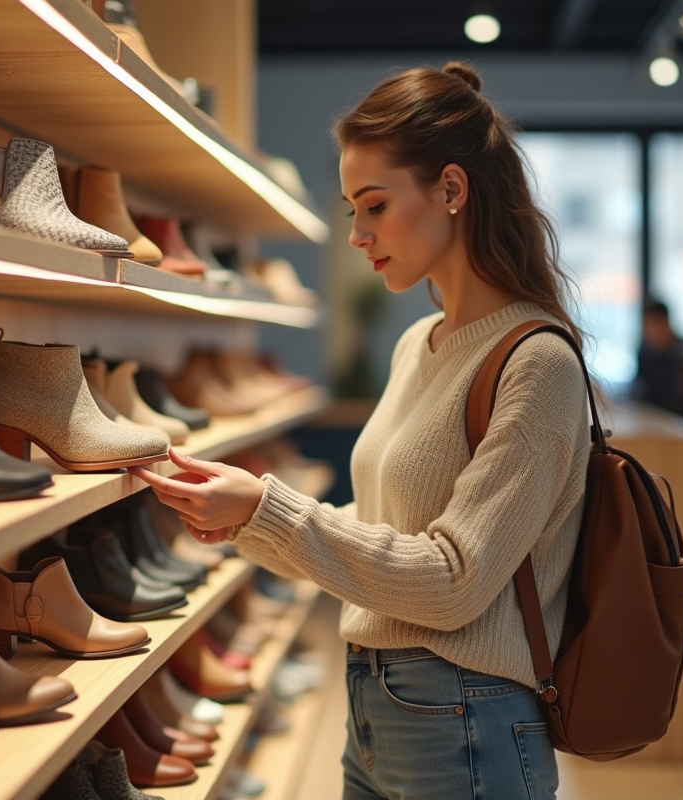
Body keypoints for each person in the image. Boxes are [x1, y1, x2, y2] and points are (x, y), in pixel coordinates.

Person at [134, 63, 590, 799]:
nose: (356, 235)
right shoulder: (421, 343)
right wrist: (245, 518)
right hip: (380, 707)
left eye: (373, 206)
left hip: (466, 713)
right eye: (352, 209)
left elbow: (452, 581)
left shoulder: (537, 364)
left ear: (450, 190)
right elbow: (384, 529)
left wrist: (269, 510)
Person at [631, 298, 683, 419]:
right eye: (648, 327)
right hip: (652, 421)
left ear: (666, 323)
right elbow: (640, 389)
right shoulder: (645, 354)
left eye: (656, 325)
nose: (652, 332)